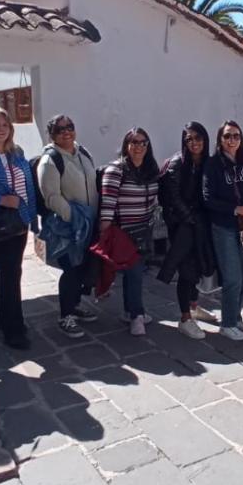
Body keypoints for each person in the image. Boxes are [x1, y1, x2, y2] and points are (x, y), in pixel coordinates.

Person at [0, 107, 40, 351]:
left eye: (5, 124)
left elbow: (28, 186)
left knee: (11, 275)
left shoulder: (16, 152)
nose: (0, 129)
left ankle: (12, 326)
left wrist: (31, 219)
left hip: (17, 224)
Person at [202, 121, 243, 341]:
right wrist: (236, 208)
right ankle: (227, 323)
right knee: (232, 277)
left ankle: (236, 317)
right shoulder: (212, 164)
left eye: (236, 136)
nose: (232, 140)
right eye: (228, 136)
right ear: (220, 139)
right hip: (224, 227)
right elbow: (207, 198)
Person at [36, 114, 98, 339]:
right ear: (52, 135)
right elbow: (51, 197)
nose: (66, 132)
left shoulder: (83, 153)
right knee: (71, 269)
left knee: (83, 267)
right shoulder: (50, 160)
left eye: (69, 127)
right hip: (69, 226)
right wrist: (74, 218)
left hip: (89, 222)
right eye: (60, 129)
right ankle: (65, 315)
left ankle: (75, 305)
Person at [99, 128, 161, 336]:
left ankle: (129, 311)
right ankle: (137, 315)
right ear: (126, 145)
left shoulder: (150, 169)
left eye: (143, 142)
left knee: (135, 273)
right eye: (134, 142)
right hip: (123, 232)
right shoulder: (116, 170)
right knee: (134, 273)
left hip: (144, 229)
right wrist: (105, 234)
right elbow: (107, 204)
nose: (138, 146)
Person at [157, 122, 215, 339]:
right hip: (183, 224)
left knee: (199, 265)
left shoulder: (208, 163)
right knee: (186, 269)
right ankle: (185, 318)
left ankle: (193, 305)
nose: (194, 143)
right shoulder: (177, 163)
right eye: (189, 139)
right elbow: (173, 196)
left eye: (198, 138)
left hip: (201, 222)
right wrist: (189, 218)